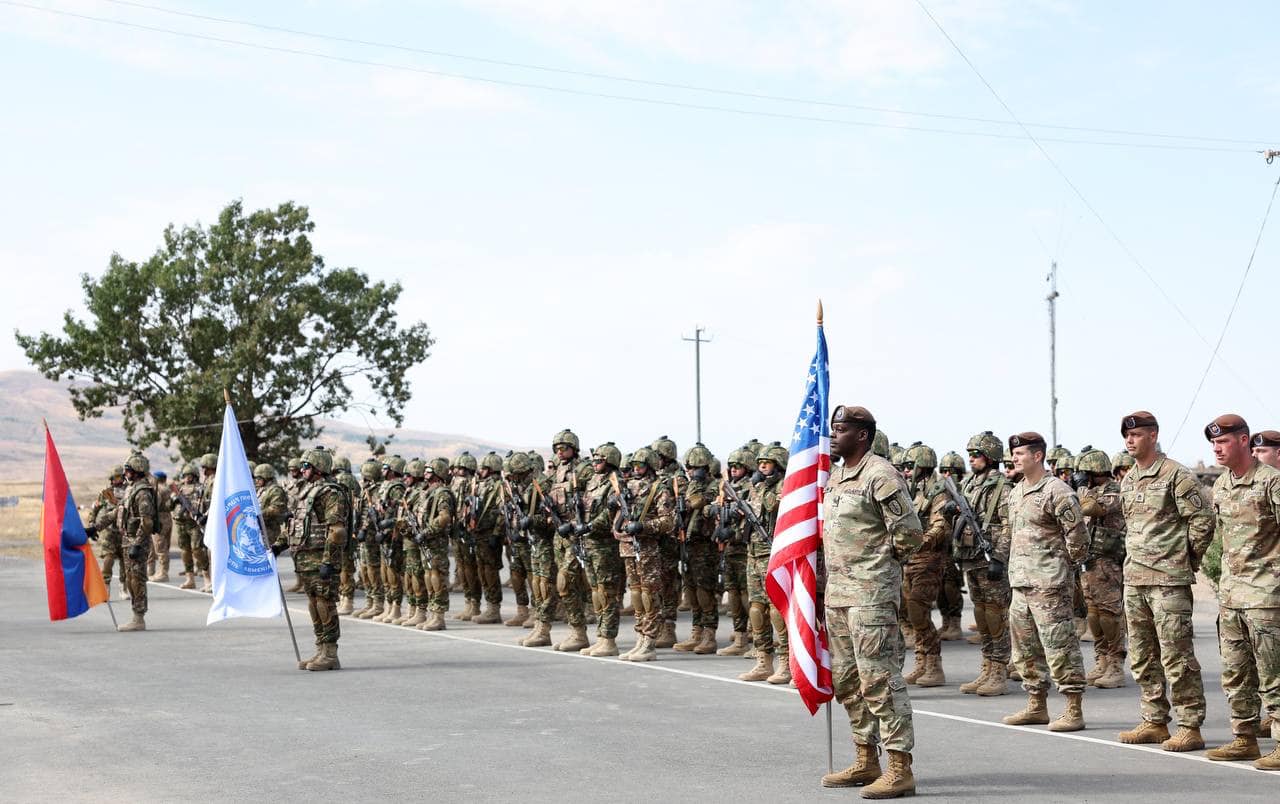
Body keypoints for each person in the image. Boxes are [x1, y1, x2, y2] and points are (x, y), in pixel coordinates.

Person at [820, 405, 922, 798]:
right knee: (847, 681)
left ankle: (900, 767)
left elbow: (910, 535)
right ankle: (866, 758)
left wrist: (878, 567)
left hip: (871, 596)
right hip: (839, 596)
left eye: (841, 429)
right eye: (833, 429)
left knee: (880, 681)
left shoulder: (880, 475)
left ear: (862, 435)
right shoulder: (836, 476)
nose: (833, 435)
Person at [1116, 411, 1214, 751]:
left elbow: (1202, 521)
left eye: (1137, 435)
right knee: (1142, 656)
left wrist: (1185, 559)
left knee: (1177, 655)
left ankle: (1190, 725)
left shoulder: (1176, 475)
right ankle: (1154, 720)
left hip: (1168, 582)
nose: (1130, 441)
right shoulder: (1128, 479)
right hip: (1135, 579)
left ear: (1153, 435)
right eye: (1127, 436)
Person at [1202, 415, 1280, 769]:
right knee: (1235, 672)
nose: (1217, 449)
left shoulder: (1271, 483)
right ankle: (1244, 739)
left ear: (1244, 441)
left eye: (1224, 442)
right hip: (1232, 595)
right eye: (1214, 444)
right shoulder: (1220, 485)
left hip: (1266, 596)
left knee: (1273, 673)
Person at [1000, 432, 1089, 732]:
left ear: (1038, 456)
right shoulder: (1015, 492)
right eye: (1014, 452)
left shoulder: (1057, 491)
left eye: (1021, 452)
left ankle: (1073, 708)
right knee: (1024, 649)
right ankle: (1036, 705)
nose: (1015, 457)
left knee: (1060, 646)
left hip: (1050, 584)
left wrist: (1063, 568)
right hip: (1021, 583)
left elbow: (1078, 537)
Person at [274, 446, 349, 671]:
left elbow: (337, 531)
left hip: (320, 558)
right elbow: (294, 523)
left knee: (325, 603)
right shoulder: (305, 491)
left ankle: (330, 653)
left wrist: (329, 560)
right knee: (314, 604)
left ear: (318, 468)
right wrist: (279, 545)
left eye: (306, 466)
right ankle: (320, 648)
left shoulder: (330, 492)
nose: (302, 469)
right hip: (304, 558)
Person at [952, 431, 1013, 697]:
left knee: (996, 614)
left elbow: (1009, 526)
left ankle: (999, 670)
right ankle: (987, 667)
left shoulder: (1003, 487)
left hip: (990, 558)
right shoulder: (969, 484)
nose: (971, 459)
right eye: (970, 455)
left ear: (990, 457)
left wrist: (999, 557)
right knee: (981, 613)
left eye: (976, 455)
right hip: (971, 558)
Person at [1073, 449, 1128, 689]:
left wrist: (1082, 489)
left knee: (1109, 614)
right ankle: (1102, 659)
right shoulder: (1091, 491)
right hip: (1089, 559)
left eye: (1084, 473)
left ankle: (1115, 664)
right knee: (1093, 613)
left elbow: (1091, 509)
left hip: (1108, 561)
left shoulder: (1113, 491)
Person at [618, 447, 676, 662]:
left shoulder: (658, 489)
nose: (635, 469)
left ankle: (650, 641)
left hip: (647, 549)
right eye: (634, 465)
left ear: (649, 467)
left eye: (640, 465)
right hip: (627, 548)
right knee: (635, 595)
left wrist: (643, 526)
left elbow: (667, 521)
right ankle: (640, 638)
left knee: (649, 595)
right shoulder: (628, 488)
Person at [739, 443, 789, 684]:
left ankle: (786, 662)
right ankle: (763, 660)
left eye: (766, 463)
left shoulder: (785, 486)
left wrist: (761, 486)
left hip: (775, 554)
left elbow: (772, 505)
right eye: (760, 463)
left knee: (776, 610)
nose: (761, 467)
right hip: (754, 553)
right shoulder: (755, 487)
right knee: (756, 609)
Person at [902, 443, 948, 687]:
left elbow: (940, 525)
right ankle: (922, 661)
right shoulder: (914, 490)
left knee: (917, 609)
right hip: (910, 558)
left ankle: (934, 664)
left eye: (911, 466)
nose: (907, 471)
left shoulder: (938, 490)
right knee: (912, 612)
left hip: (928, 559)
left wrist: (921, 541)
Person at [673, 443, 719, 655]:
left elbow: (697, 501)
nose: (690, 471)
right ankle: (696, 632)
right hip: (689, 544)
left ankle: (709, 634)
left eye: (695, 468)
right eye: (689, 467)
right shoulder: (688, 485)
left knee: (704, 591)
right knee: (690, 591)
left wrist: (697, 482)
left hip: (705, 545)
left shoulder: (714, 487)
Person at [115, 452, 157, 631]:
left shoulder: (142, 493)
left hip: (136, 543)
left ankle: (138, 618)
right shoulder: (131, 489)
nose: (125, 473)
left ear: (137, 471)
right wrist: (96, 527)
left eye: (128, 470)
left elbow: (146, 522)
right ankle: (136, 615)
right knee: (131, 579)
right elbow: (119, 512)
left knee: (137, 579)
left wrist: (137, 544)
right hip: (128, 541)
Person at [89, 466, 126, 596]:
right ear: (111, 479)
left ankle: (123, 586)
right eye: (116, 477)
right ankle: (106, 586)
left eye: (120, 477)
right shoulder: (105, 493)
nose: (118, 479)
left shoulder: (129, 491)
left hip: (125, 532)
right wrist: (91, 524)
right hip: (109, 532)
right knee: (108, 560)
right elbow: (95, 509)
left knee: (125, 560)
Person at [148, 471, 173, 582]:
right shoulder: (168, 489)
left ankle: (163, 573)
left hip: (159, 520)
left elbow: (154, 506)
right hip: (168, 518)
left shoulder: (157, 490)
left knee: (159, 547)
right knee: (164, 547)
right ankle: (157, 571)